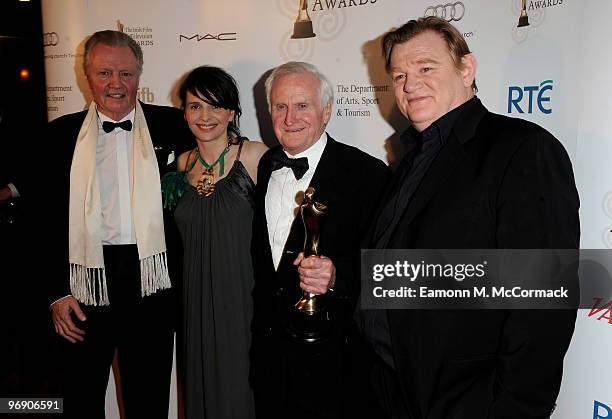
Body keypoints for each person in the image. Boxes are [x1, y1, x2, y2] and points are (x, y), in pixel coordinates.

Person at [359, 16, 580, 418]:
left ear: (466, 68)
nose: (410, 85)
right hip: (389, 390)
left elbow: (544, 302)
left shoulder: (521, 149)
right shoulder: (407, 162)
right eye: (400, 74)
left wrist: (511, 409)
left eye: (426, 68)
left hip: (465, 401)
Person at [46, 30, 191, 418]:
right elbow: (40, 223)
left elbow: (222, 160)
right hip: (84, 280)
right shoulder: (59, 136)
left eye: (126, 74)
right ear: (86, 77)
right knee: (79, 395)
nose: (116, 84)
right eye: (105, 73)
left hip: (153, 280)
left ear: (139, 76)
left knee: (149, 398)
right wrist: (56, 293)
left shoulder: (176, 126)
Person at [249, 61, 389, 419]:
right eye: (280, 106)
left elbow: (388, 270)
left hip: (335, 369)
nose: (290, 117)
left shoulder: (368, 174)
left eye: (302, 106)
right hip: (270, 366)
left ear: (326, 111)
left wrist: (337, 275)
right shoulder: (265, 166)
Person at [162, 65, 267, 419]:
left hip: (243, 297)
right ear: (184, 112)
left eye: (216, 106)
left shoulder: (255, 157)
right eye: (195, 106)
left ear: (233, 112)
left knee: (242, 387)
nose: (205, 116)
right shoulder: (180, 165)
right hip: (194, 300)